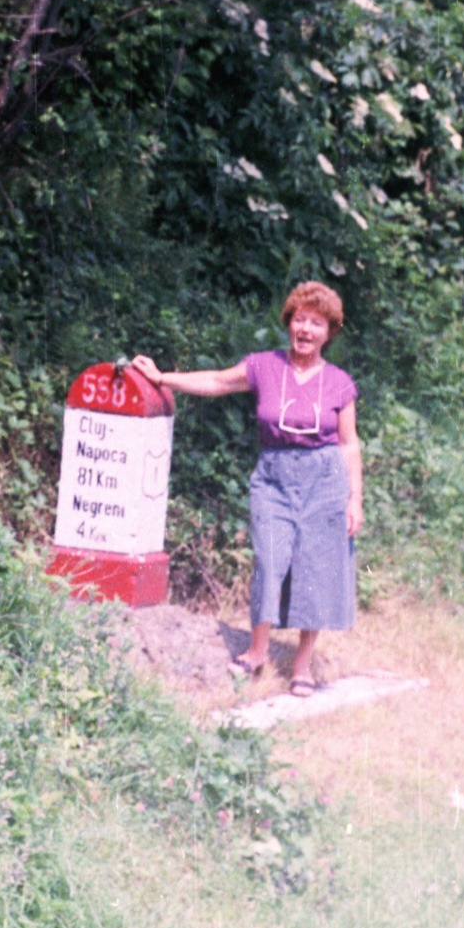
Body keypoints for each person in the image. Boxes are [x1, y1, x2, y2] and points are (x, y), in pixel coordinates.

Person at [132, 281, 362, 694]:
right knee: (270, 559)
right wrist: (162, 377)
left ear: (329, 332)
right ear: (289, 323)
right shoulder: (263, 366)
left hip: (324, 480)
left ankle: (302, 666)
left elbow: (348, 443)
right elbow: (218, 382)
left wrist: (354, 498)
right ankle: (257, 652)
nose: (306, 330)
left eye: (316, 323)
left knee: (314, 570)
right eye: (299, 320)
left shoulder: (340, 384)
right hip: (273, 477)